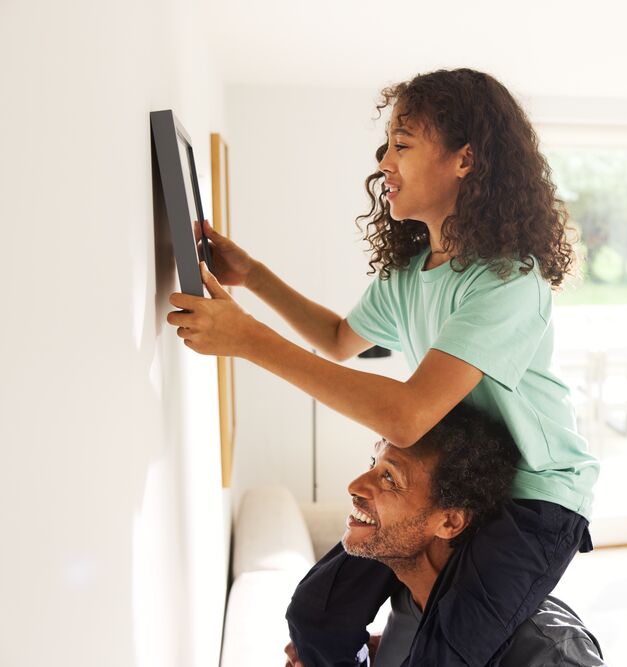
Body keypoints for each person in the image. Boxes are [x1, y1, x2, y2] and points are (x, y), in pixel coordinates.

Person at [166, 68, 599, 666]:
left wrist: (248, 339)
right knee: (317, 613)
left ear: (465, 160)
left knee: (444, 652)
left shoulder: (508, 280)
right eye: (385, 146)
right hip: (461, 475)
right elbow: (339, 339)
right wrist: (255, 278)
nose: (383, 164)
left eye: (402, 144)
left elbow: (406, 415)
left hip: (535, 498)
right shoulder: (409, 274)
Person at [283, 404, 604, 667]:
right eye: (373, 463)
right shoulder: (408, 607)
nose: (355, 485)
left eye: (390, 479)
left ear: (449, 522)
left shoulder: (550, 652)